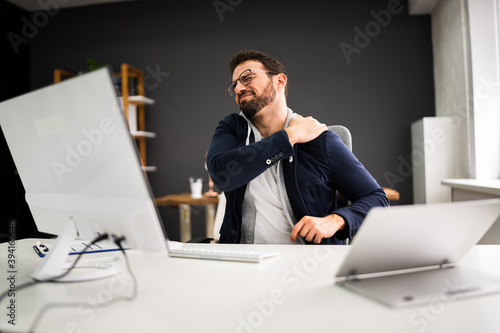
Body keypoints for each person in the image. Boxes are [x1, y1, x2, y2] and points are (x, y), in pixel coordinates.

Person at [207, 49, 389, 245]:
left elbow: (377, 199)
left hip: (308, 262)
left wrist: (336, 220)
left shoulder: (319, 139)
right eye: (234, 85)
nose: (238, 88)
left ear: (280, 81)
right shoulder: (232, 128)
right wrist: (290, 137)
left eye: (247, 77)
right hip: (247, 261)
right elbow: (221, 175)